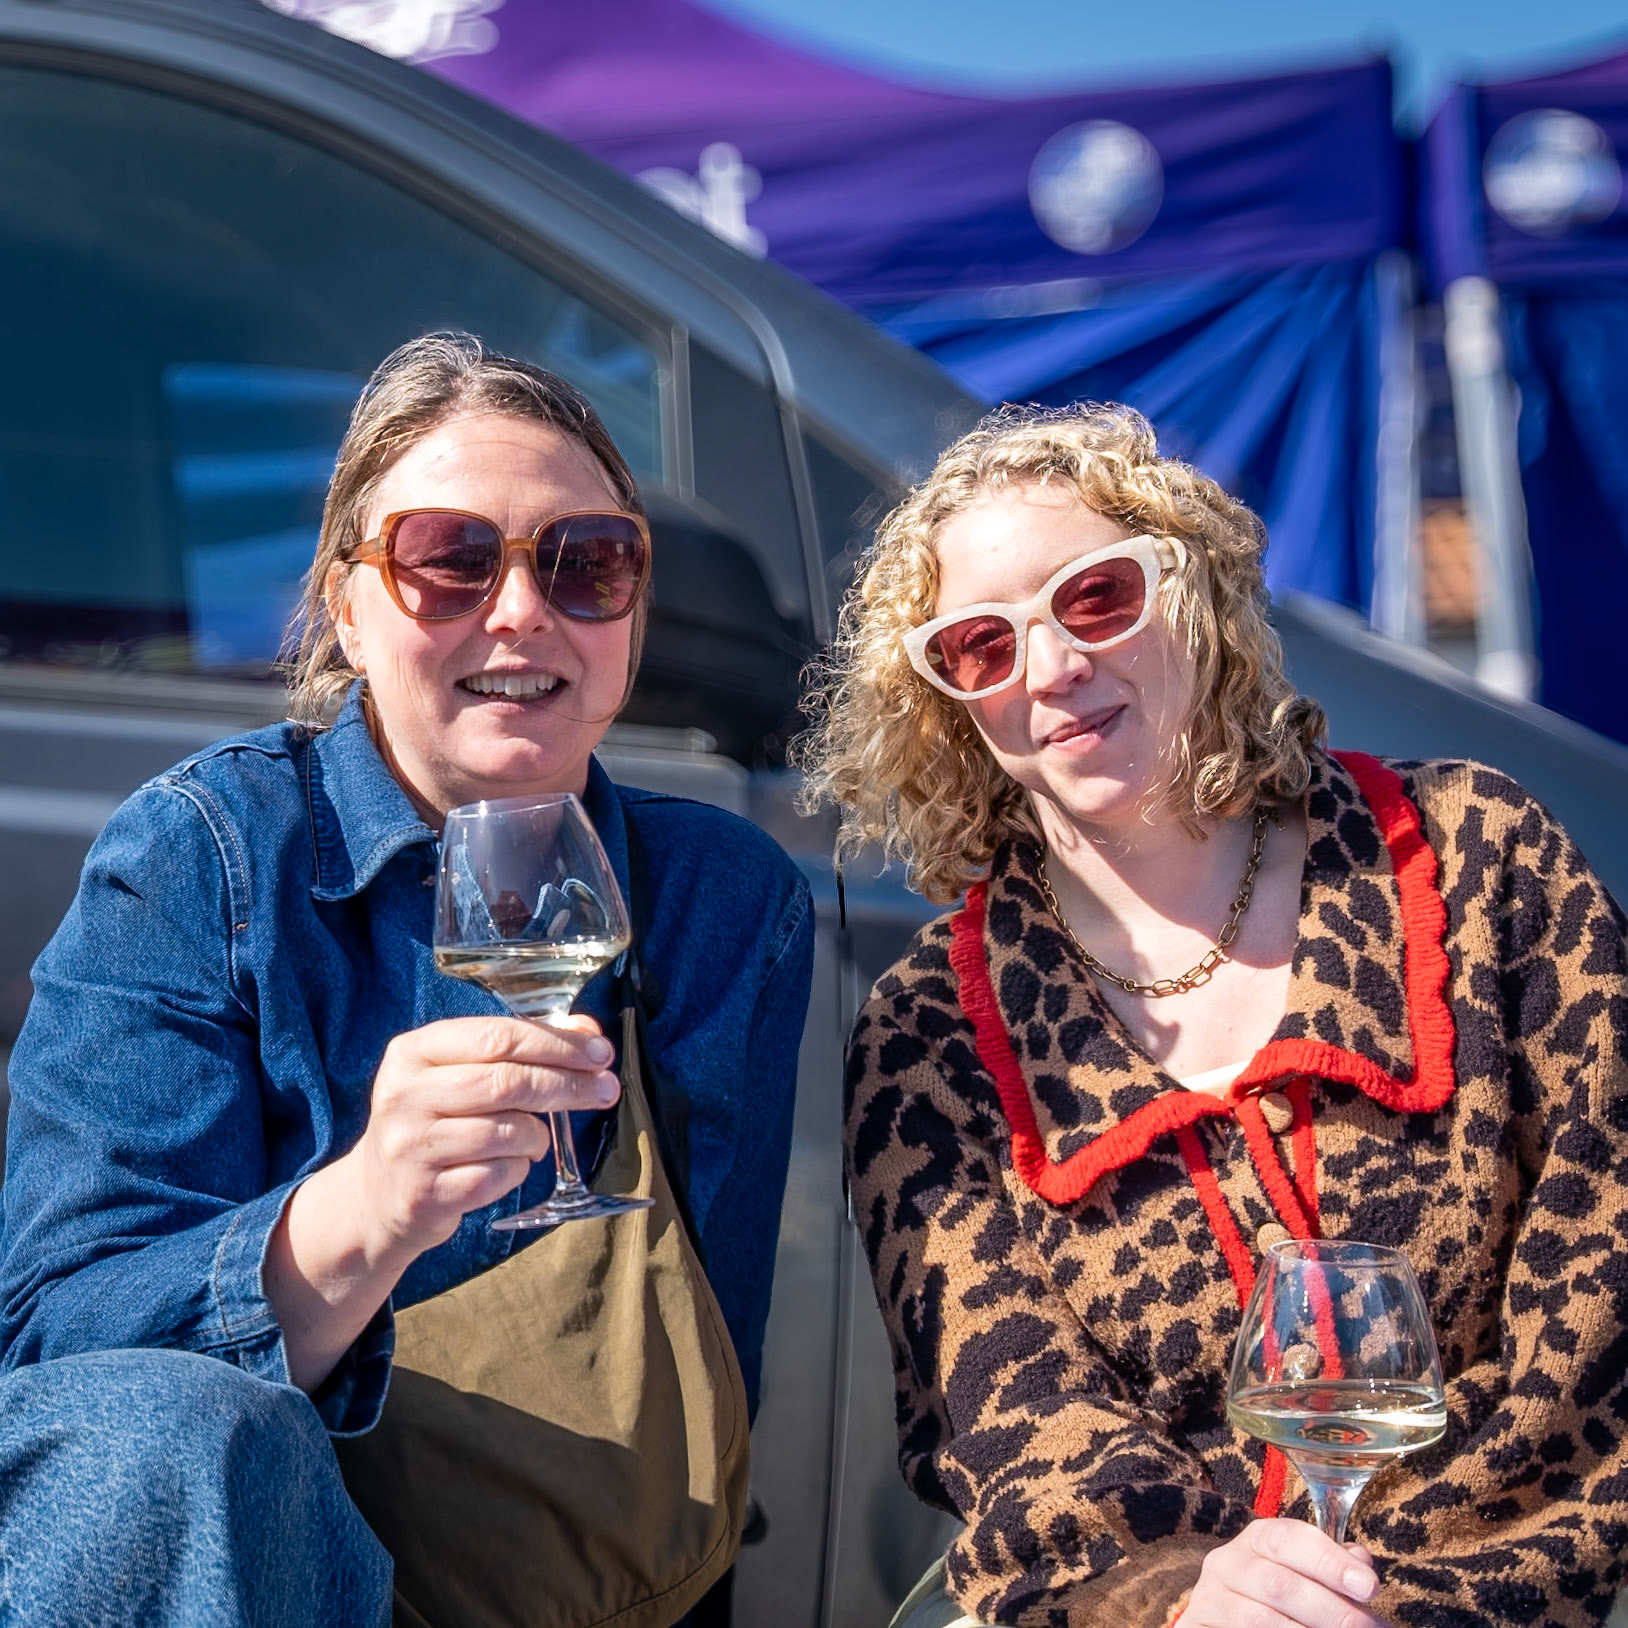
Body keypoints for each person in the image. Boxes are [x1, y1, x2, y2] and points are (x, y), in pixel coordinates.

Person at [0, 332, 814, 1625]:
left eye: (585, 564)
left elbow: (696, 1441)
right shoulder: (204, 861)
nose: (520, 613)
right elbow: (57, 1377)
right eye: (452, 558)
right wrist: (365, 1211)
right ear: (348, 602)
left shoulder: (722, 900)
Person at [796, 401, 1628, 1628]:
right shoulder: (929, 1028)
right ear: (944, 702)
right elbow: (1013, 1432)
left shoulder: (1475, 860)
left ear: (1192, 590)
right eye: (980, 645)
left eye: (1093, 599)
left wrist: (1398, 1600)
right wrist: (1180, 1599)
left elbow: (1598, 1282)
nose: (1053, 668)